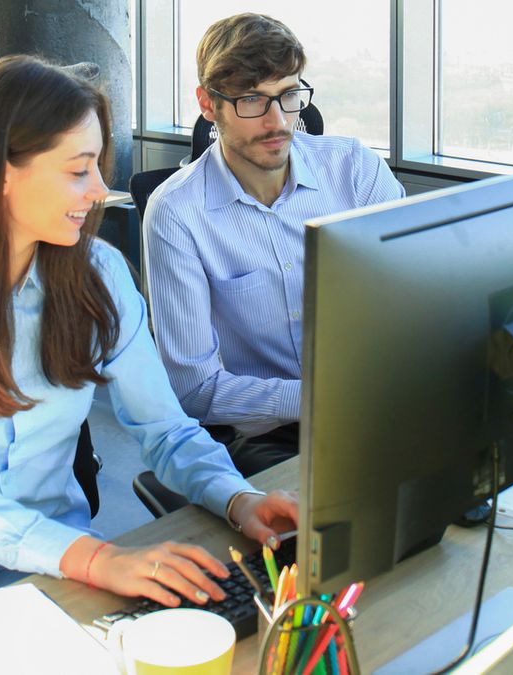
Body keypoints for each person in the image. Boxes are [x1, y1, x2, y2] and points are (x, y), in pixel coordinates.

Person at [0, 55, 297, 628]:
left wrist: (237, 499)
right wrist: (99, 560)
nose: (101, 190)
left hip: (51, 573)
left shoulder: (98, 275)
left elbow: (165, 429)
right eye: (80, 170)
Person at [144, 13, 405, 475]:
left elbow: (414, 297)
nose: (278, 121)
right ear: (208, 105)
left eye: (288, 95)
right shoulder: (176, 213)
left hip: (376, 398)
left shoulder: (355, 169)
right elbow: (194, 389)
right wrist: (323, 398)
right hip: (265, 429)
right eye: (252, 100)